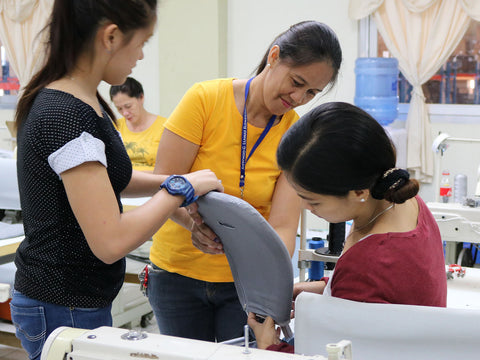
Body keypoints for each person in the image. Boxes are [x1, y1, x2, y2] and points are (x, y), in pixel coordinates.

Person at [10, 1, 222, 359]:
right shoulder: (66, 115)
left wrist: (171, 182)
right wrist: (180, 189)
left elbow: (111, 179)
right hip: (62, 302)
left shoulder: (81, 99)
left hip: (73, 297)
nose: (140, 56)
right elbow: (110, 241)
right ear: (111, 36)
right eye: (142, 43)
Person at [147, 20, 343, 342]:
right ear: (274, 56)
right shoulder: (204, 100)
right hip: (176, 275)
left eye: (311, 92)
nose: (297, 97)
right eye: (296, 82)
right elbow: (163, 184)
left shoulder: (296, 134)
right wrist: (192, 225)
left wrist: (270, 281)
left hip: (245, 288)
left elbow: (282, 225)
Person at [247, 102, 448, 353]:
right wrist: (322, 289)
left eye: (313, 200)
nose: (306, 207)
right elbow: (382, 299)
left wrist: (271, 347)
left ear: (358, 192)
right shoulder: (404, 201)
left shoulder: (368, 263)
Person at [110, 77, 167, 172]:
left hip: (155, 183)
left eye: (128, 106)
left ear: (141, 98)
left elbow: (169, 168)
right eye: (119, 109)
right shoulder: (115, 127)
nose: (125, 113)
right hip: (124, 184)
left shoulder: (164, 127)